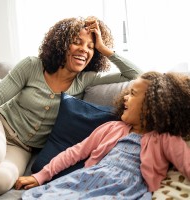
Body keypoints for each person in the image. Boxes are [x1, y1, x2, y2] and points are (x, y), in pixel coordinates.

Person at [0, 16, 141, 197]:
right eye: (77, 42)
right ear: (61, 44)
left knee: (1, 181)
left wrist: (103, 48)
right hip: (1, 124)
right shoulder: (32, 66)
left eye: (90, 47)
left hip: (23, 148)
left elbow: (135, 74)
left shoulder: (86, 80)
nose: (84, 50)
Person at [15, 71, 190, 200]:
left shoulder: (164, 139)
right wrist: (41, 176)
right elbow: (74, 153)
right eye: (127, 92)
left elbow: (186, 163)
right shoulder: (112, 128)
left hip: (131, 189)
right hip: (90, 179)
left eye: (133, 94)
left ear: (153, 104)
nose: (125, 98)